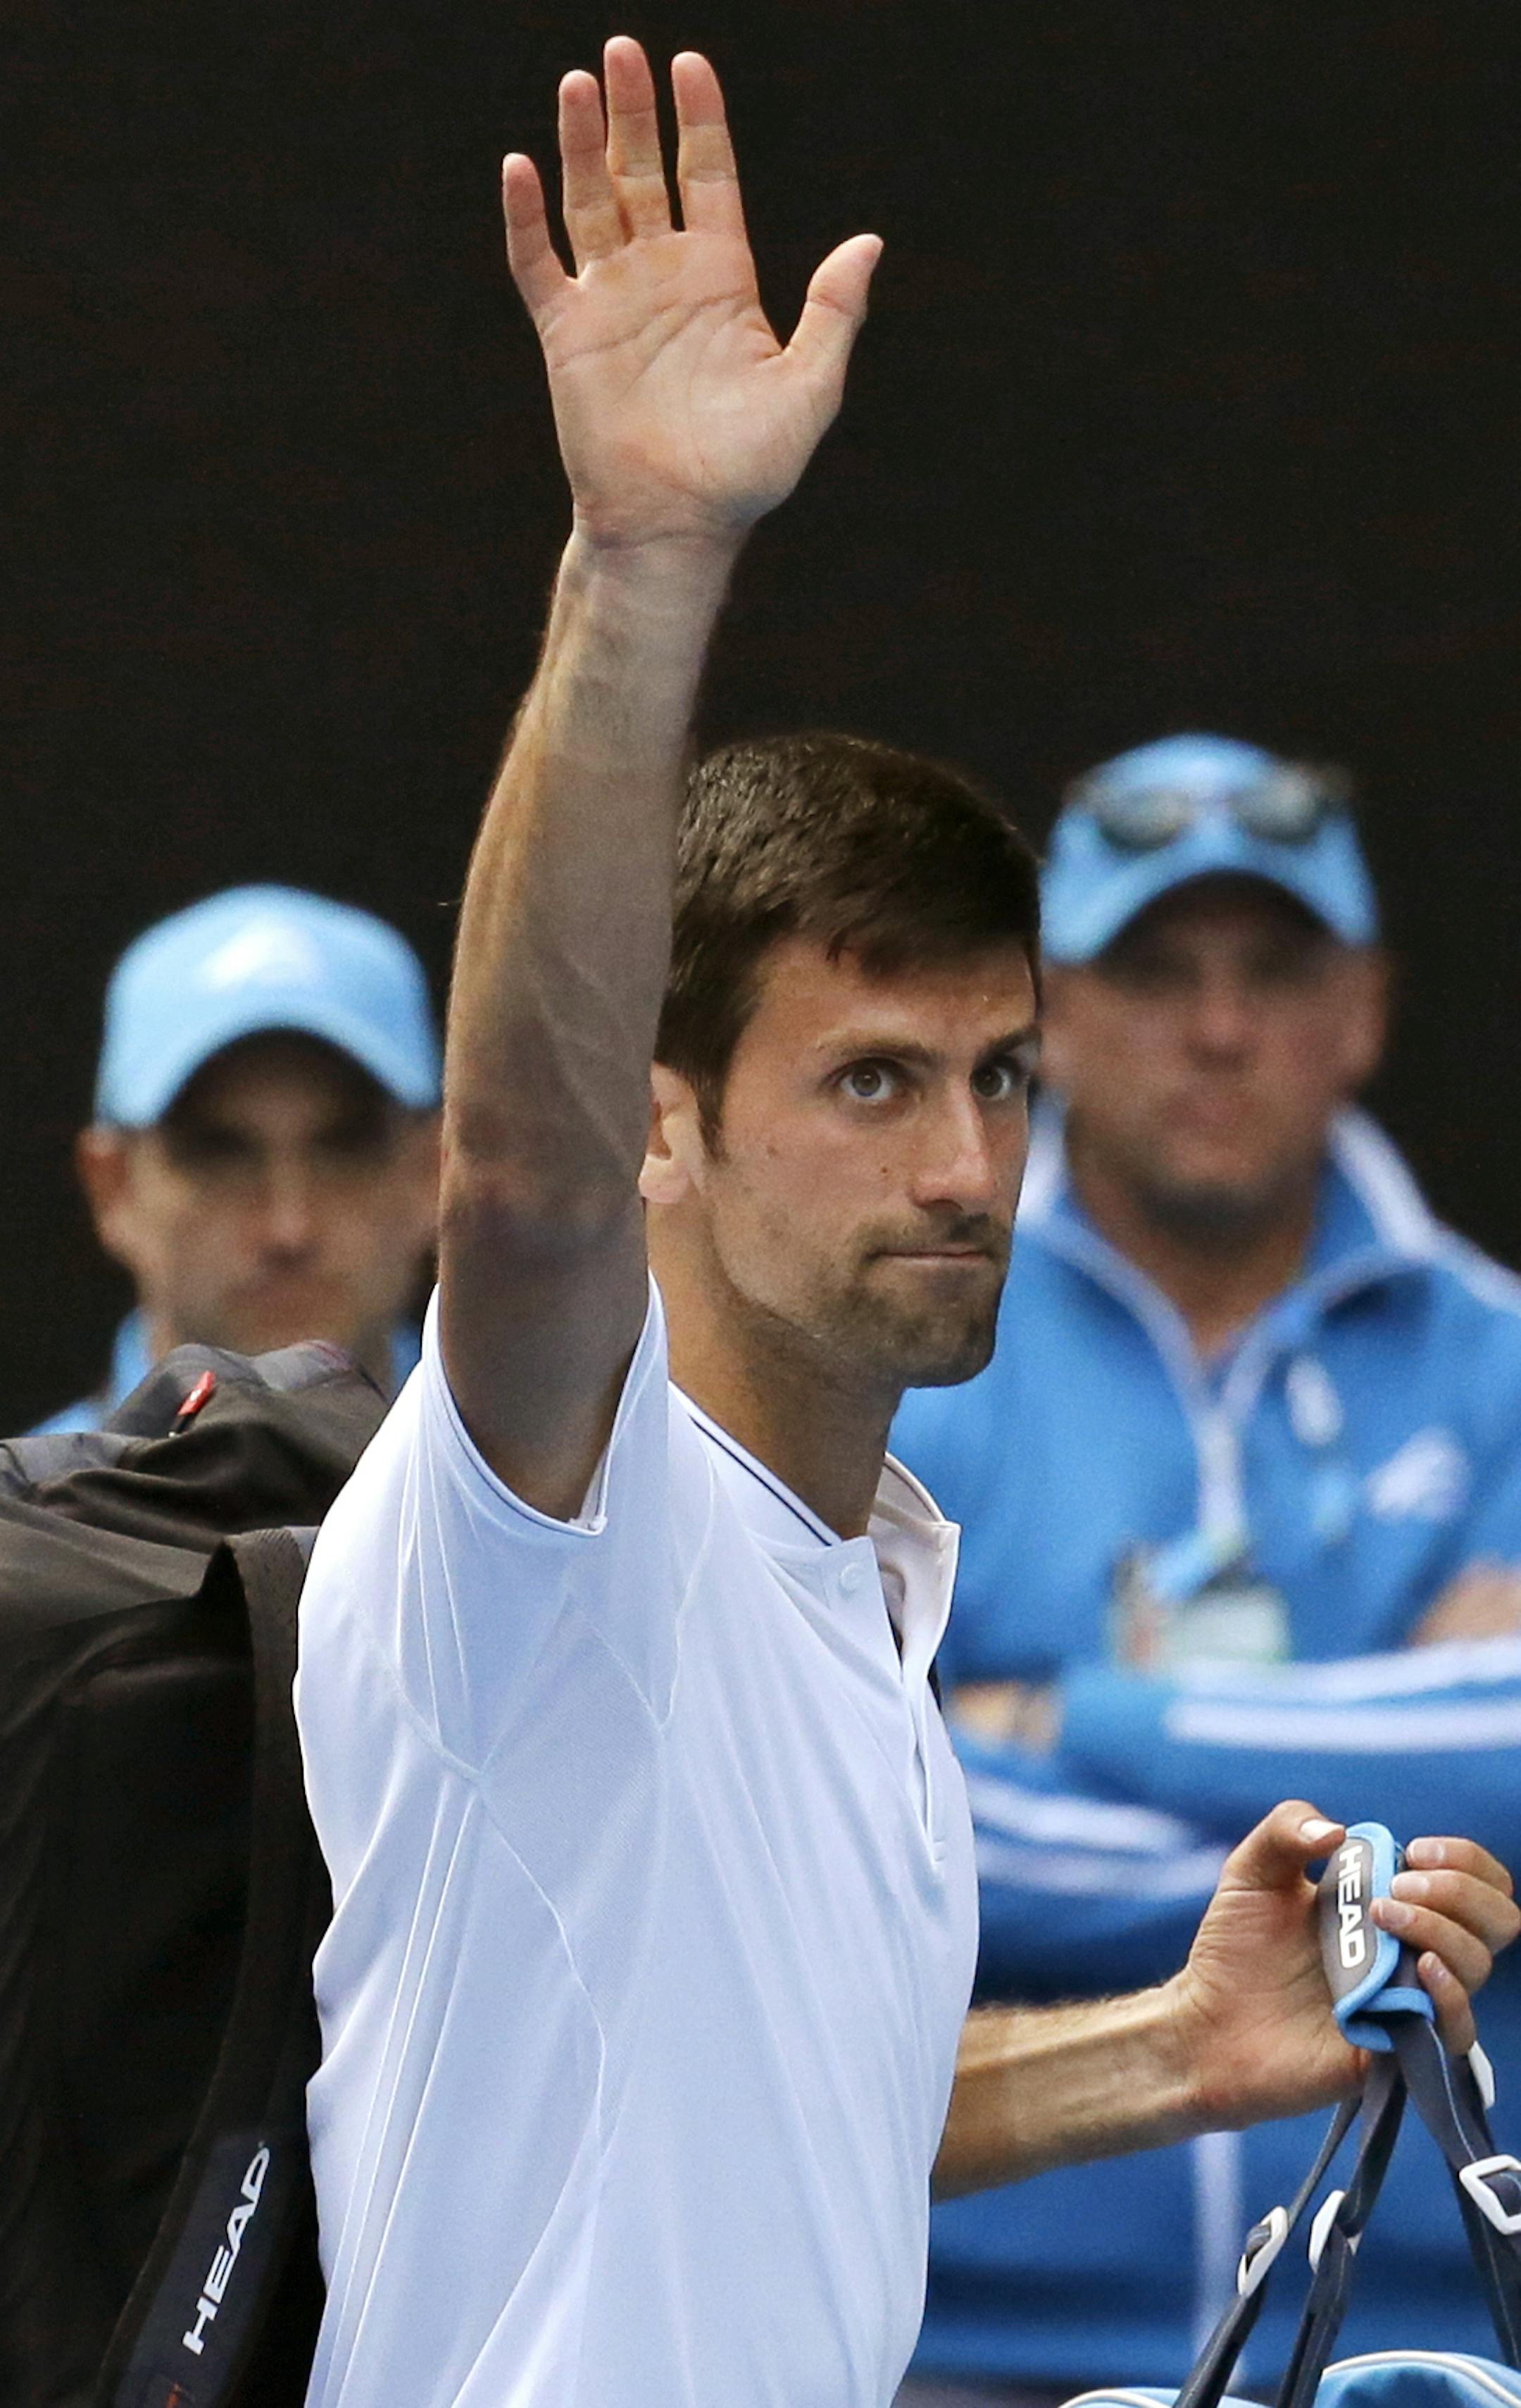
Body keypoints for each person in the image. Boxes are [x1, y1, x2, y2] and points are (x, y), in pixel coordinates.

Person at [294, 51, 1518, 2408]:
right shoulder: (570, 1519)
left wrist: (1174, 2044)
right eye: (870, 1080)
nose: (967, 1164)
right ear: (661, 1129)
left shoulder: (867, 1586)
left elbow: (786, 2129)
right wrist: (641, 561)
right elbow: (520, 1180)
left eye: (1001, 1076)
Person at [891, 734, 1521, 2402]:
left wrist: (1073, 1720)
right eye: (1158, 971)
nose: (1220, 1026)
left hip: (1433, 2346)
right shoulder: (912, 1347)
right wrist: (1395, 1800)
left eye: (1275, 969)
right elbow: (832, 1806)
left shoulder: (1499, 1356)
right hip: (961, 2346)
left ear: (1363, 1010)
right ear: (1050, 1016)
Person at [35, 883, 442, 1430]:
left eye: (345, 1151)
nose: (289, 1230)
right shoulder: (21, 1491)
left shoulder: (547, 1482)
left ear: (434, 1174)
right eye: (218, 1157)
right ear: (114, 1187)